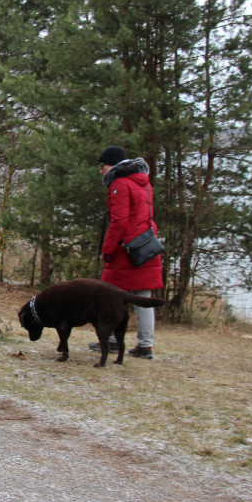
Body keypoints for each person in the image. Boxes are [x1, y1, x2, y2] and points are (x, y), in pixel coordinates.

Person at [92, 145, 163, 358]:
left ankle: (112, 340)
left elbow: (119, 221)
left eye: (102, 165)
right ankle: (145, 345)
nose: (101, 170)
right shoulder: (143, 183)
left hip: (126, 250)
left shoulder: (119, 184)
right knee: (144, 297)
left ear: (112, 164)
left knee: (110, 295)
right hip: (146, 246)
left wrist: (107, 249)